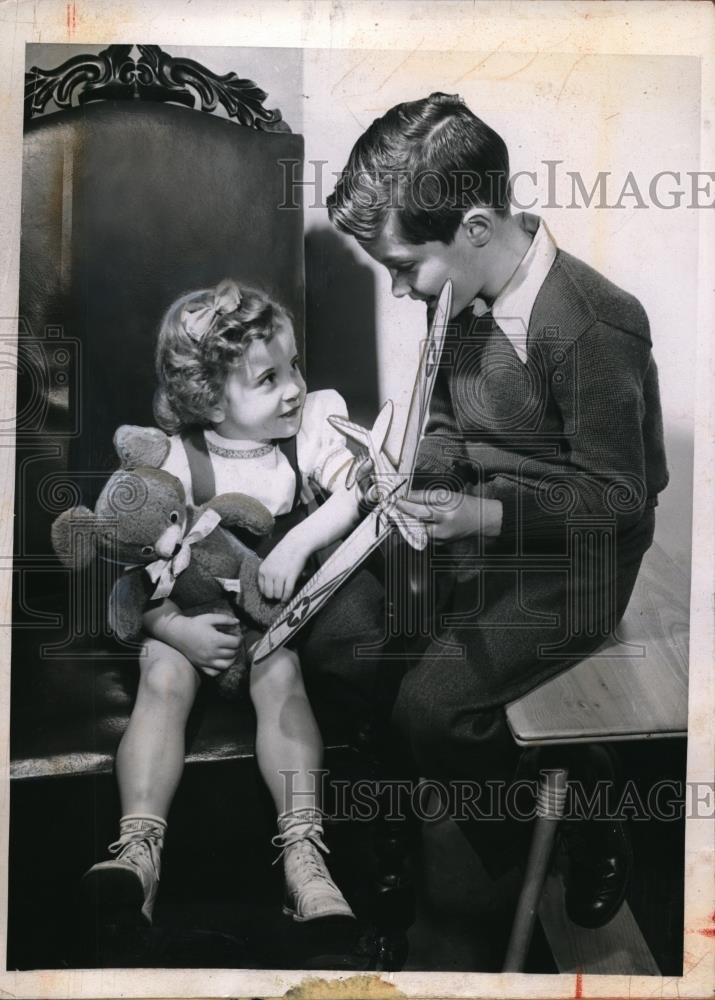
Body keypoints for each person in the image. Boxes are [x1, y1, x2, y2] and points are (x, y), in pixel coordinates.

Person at [323, 92, 669, 927]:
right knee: (336, 644)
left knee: (433, 710)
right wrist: (421, 474)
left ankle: (574, 826)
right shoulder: (459, 295)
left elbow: (617, 496)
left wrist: (483, 517)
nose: (401, 289)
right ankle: (454, 817)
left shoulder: (592, 324)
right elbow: (444, 421)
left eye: (406, 266)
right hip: (479, 527)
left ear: (474, 227)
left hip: (579, 559)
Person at [84, 279, 362, 926]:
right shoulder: (177, 461)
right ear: (209, 400)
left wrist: (299, 548)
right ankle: (139, 850)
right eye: (268, 379)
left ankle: (303, 854)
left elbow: (353, 494)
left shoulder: (307, 435)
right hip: (187, 617)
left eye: (293, 366)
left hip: (270, 626)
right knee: (161, 678)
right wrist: (178, 632)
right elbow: (133, 571)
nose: (293, 386)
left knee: (283, 680)